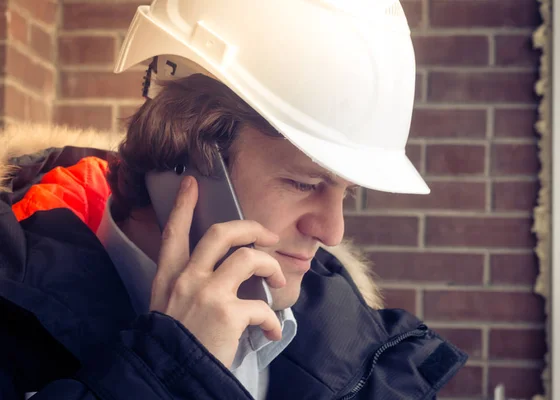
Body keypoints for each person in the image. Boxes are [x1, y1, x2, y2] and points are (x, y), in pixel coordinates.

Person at [0, 0, 467, 399]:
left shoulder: (362, 343)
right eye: (304, 184)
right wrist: (170, 371)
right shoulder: (12, 315)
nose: (332, 232)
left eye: (347, 193)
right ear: (179, 159)